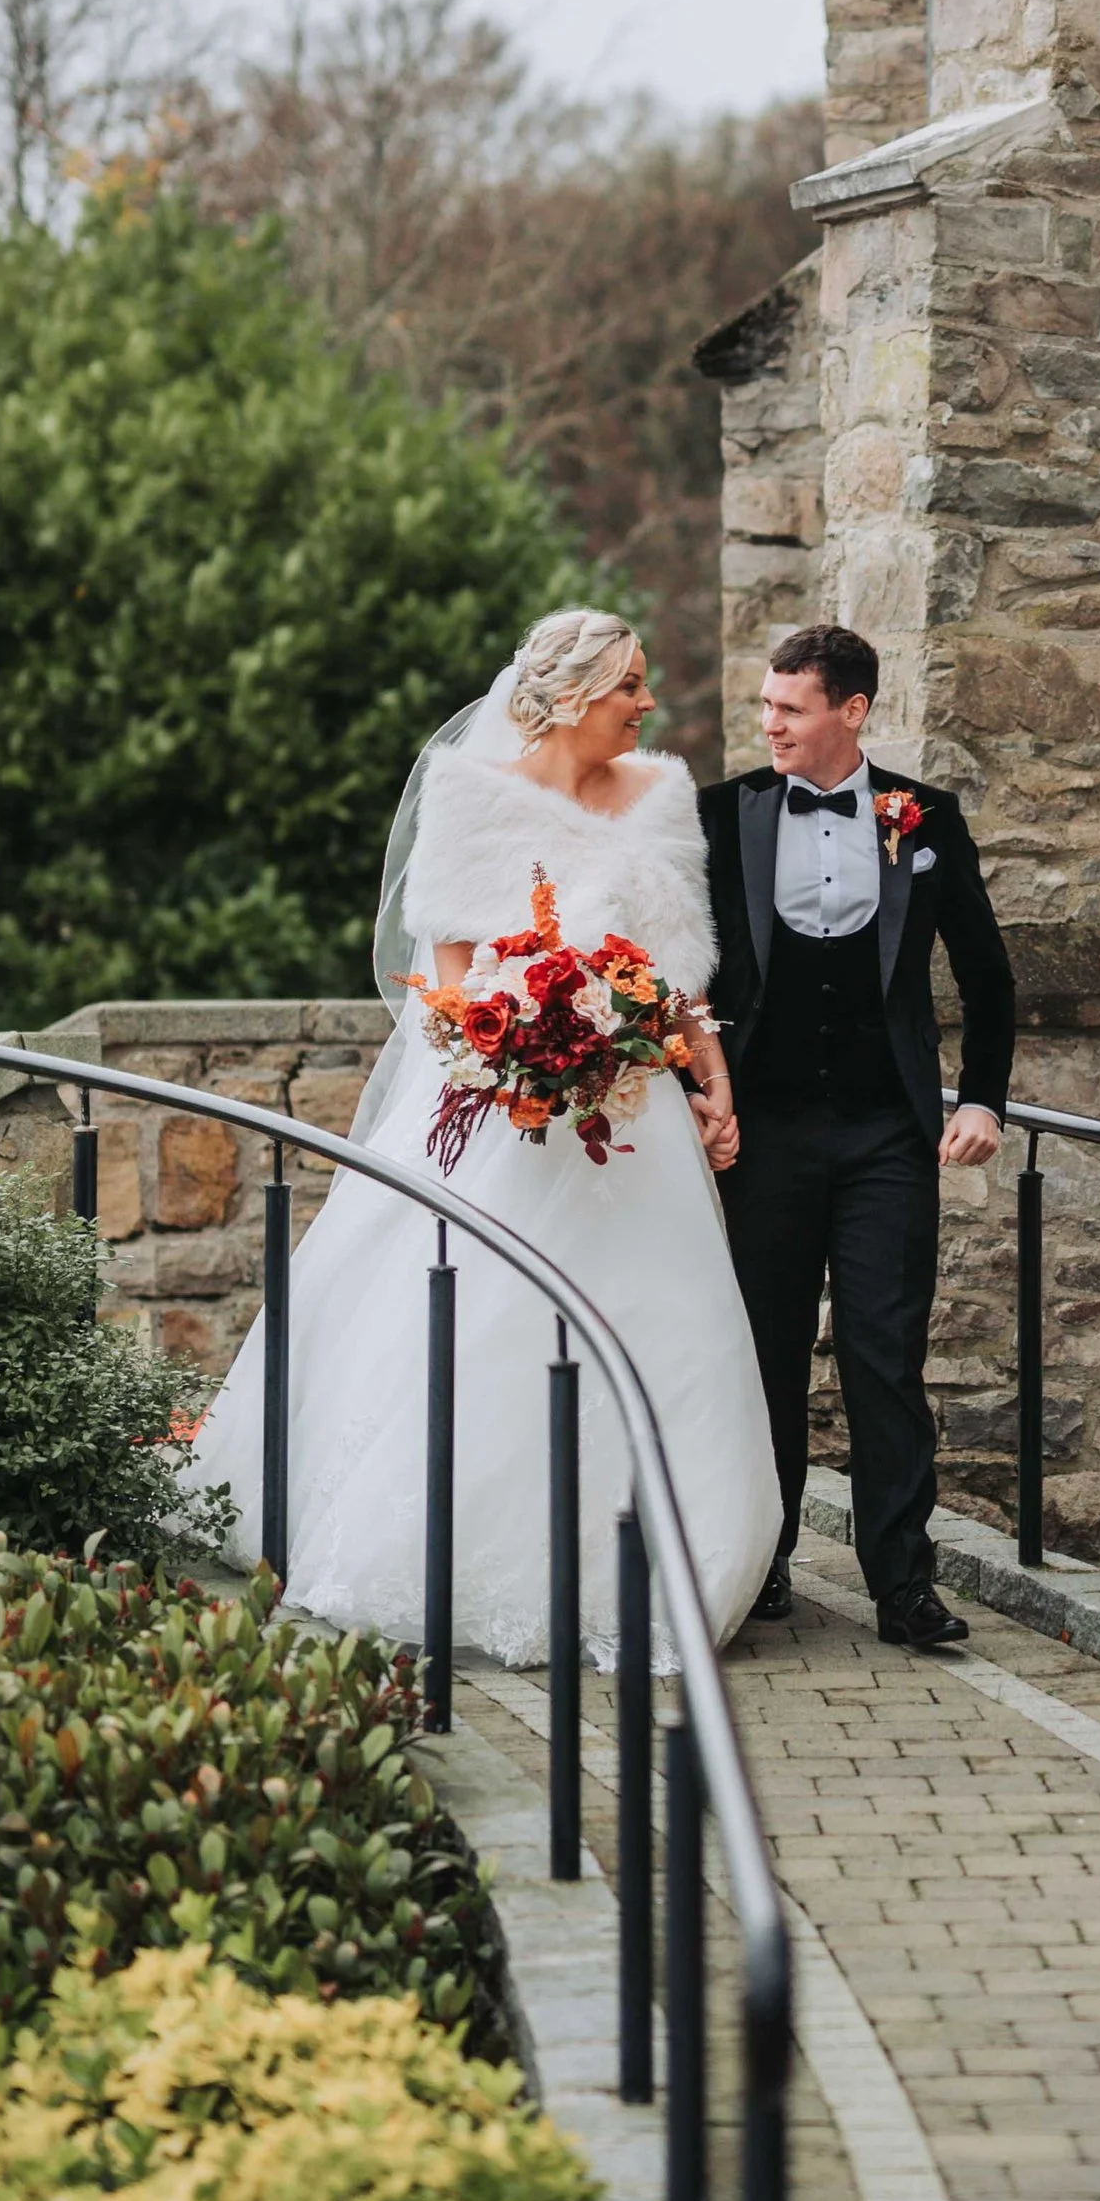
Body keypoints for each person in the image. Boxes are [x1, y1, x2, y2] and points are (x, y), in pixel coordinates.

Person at [193, 608, 780, 1665]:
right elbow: (444, 995)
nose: (648, 703)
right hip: (501, 1117)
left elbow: (682, 970)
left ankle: (674, 1567)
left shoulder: (659, 798)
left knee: (668, 1328)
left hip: (637, 1128)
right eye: (629, 686)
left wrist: (713, 1078)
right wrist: (530, 1042)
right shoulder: (471, 803)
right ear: (566, 699)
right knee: (475, 1327)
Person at [698, 622, 1015, 1651]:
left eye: (789, 707)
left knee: (886, 1357)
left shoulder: (924, 817)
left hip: (887, 1136)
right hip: (764, 1137)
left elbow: (986, 975)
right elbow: (675, 971)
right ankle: (765, 1558)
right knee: (766, 1356)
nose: (769, 723)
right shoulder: (724, 814)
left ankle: (902, 1586)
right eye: (766, 706)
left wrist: (981, 1100)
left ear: (851, 711)